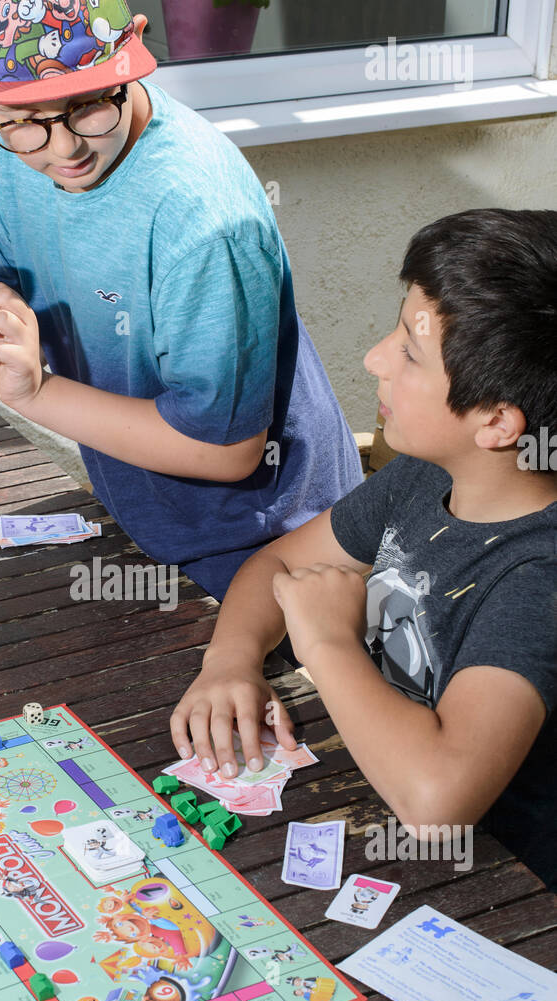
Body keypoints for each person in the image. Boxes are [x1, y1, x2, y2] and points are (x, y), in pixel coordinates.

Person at [0, 0, 363, 603]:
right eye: (24, 123)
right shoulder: (16, 138)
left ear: (134, 47)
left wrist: (37, 395)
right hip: (136, 519)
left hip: (265, 552)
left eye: (87, 105)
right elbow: (44, 289)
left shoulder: (204, 220)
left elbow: (226, 452)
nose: (62, 149)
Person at [170, 209, 557, 890]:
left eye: (410, 352)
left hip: (503, 886)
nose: (373, 358)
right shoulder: (430, 473)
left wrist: (327, 643)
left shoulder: (537, 579)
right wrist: (229, 661)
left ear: (496, 422)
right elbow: (278, 564)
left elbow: (438, 805)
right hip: (378, 795)